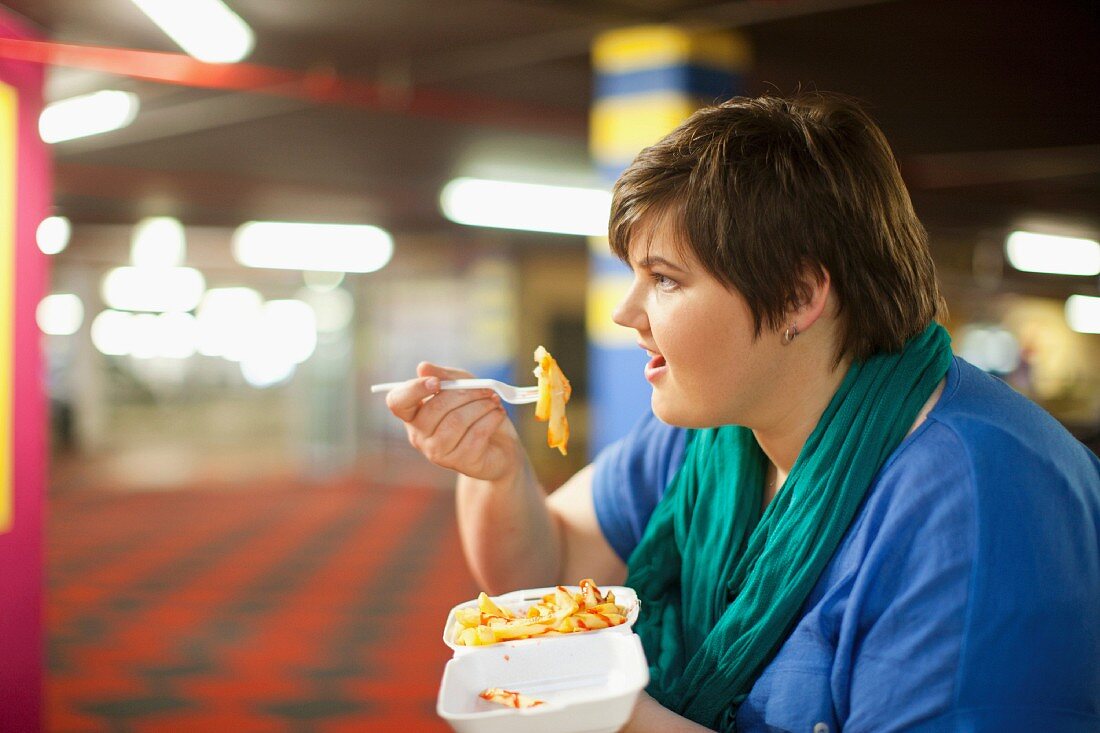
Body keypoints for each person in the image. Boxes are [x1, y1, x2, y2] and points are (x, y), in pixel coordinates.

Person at [384, 93, 1100, 732]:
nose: (626, 312)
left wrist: (615, 717)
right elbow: (548, 574)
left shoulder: (983, 503)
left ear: (797, 296)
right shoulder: (714, 434)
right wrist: (496, 470)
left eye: (664, 279)